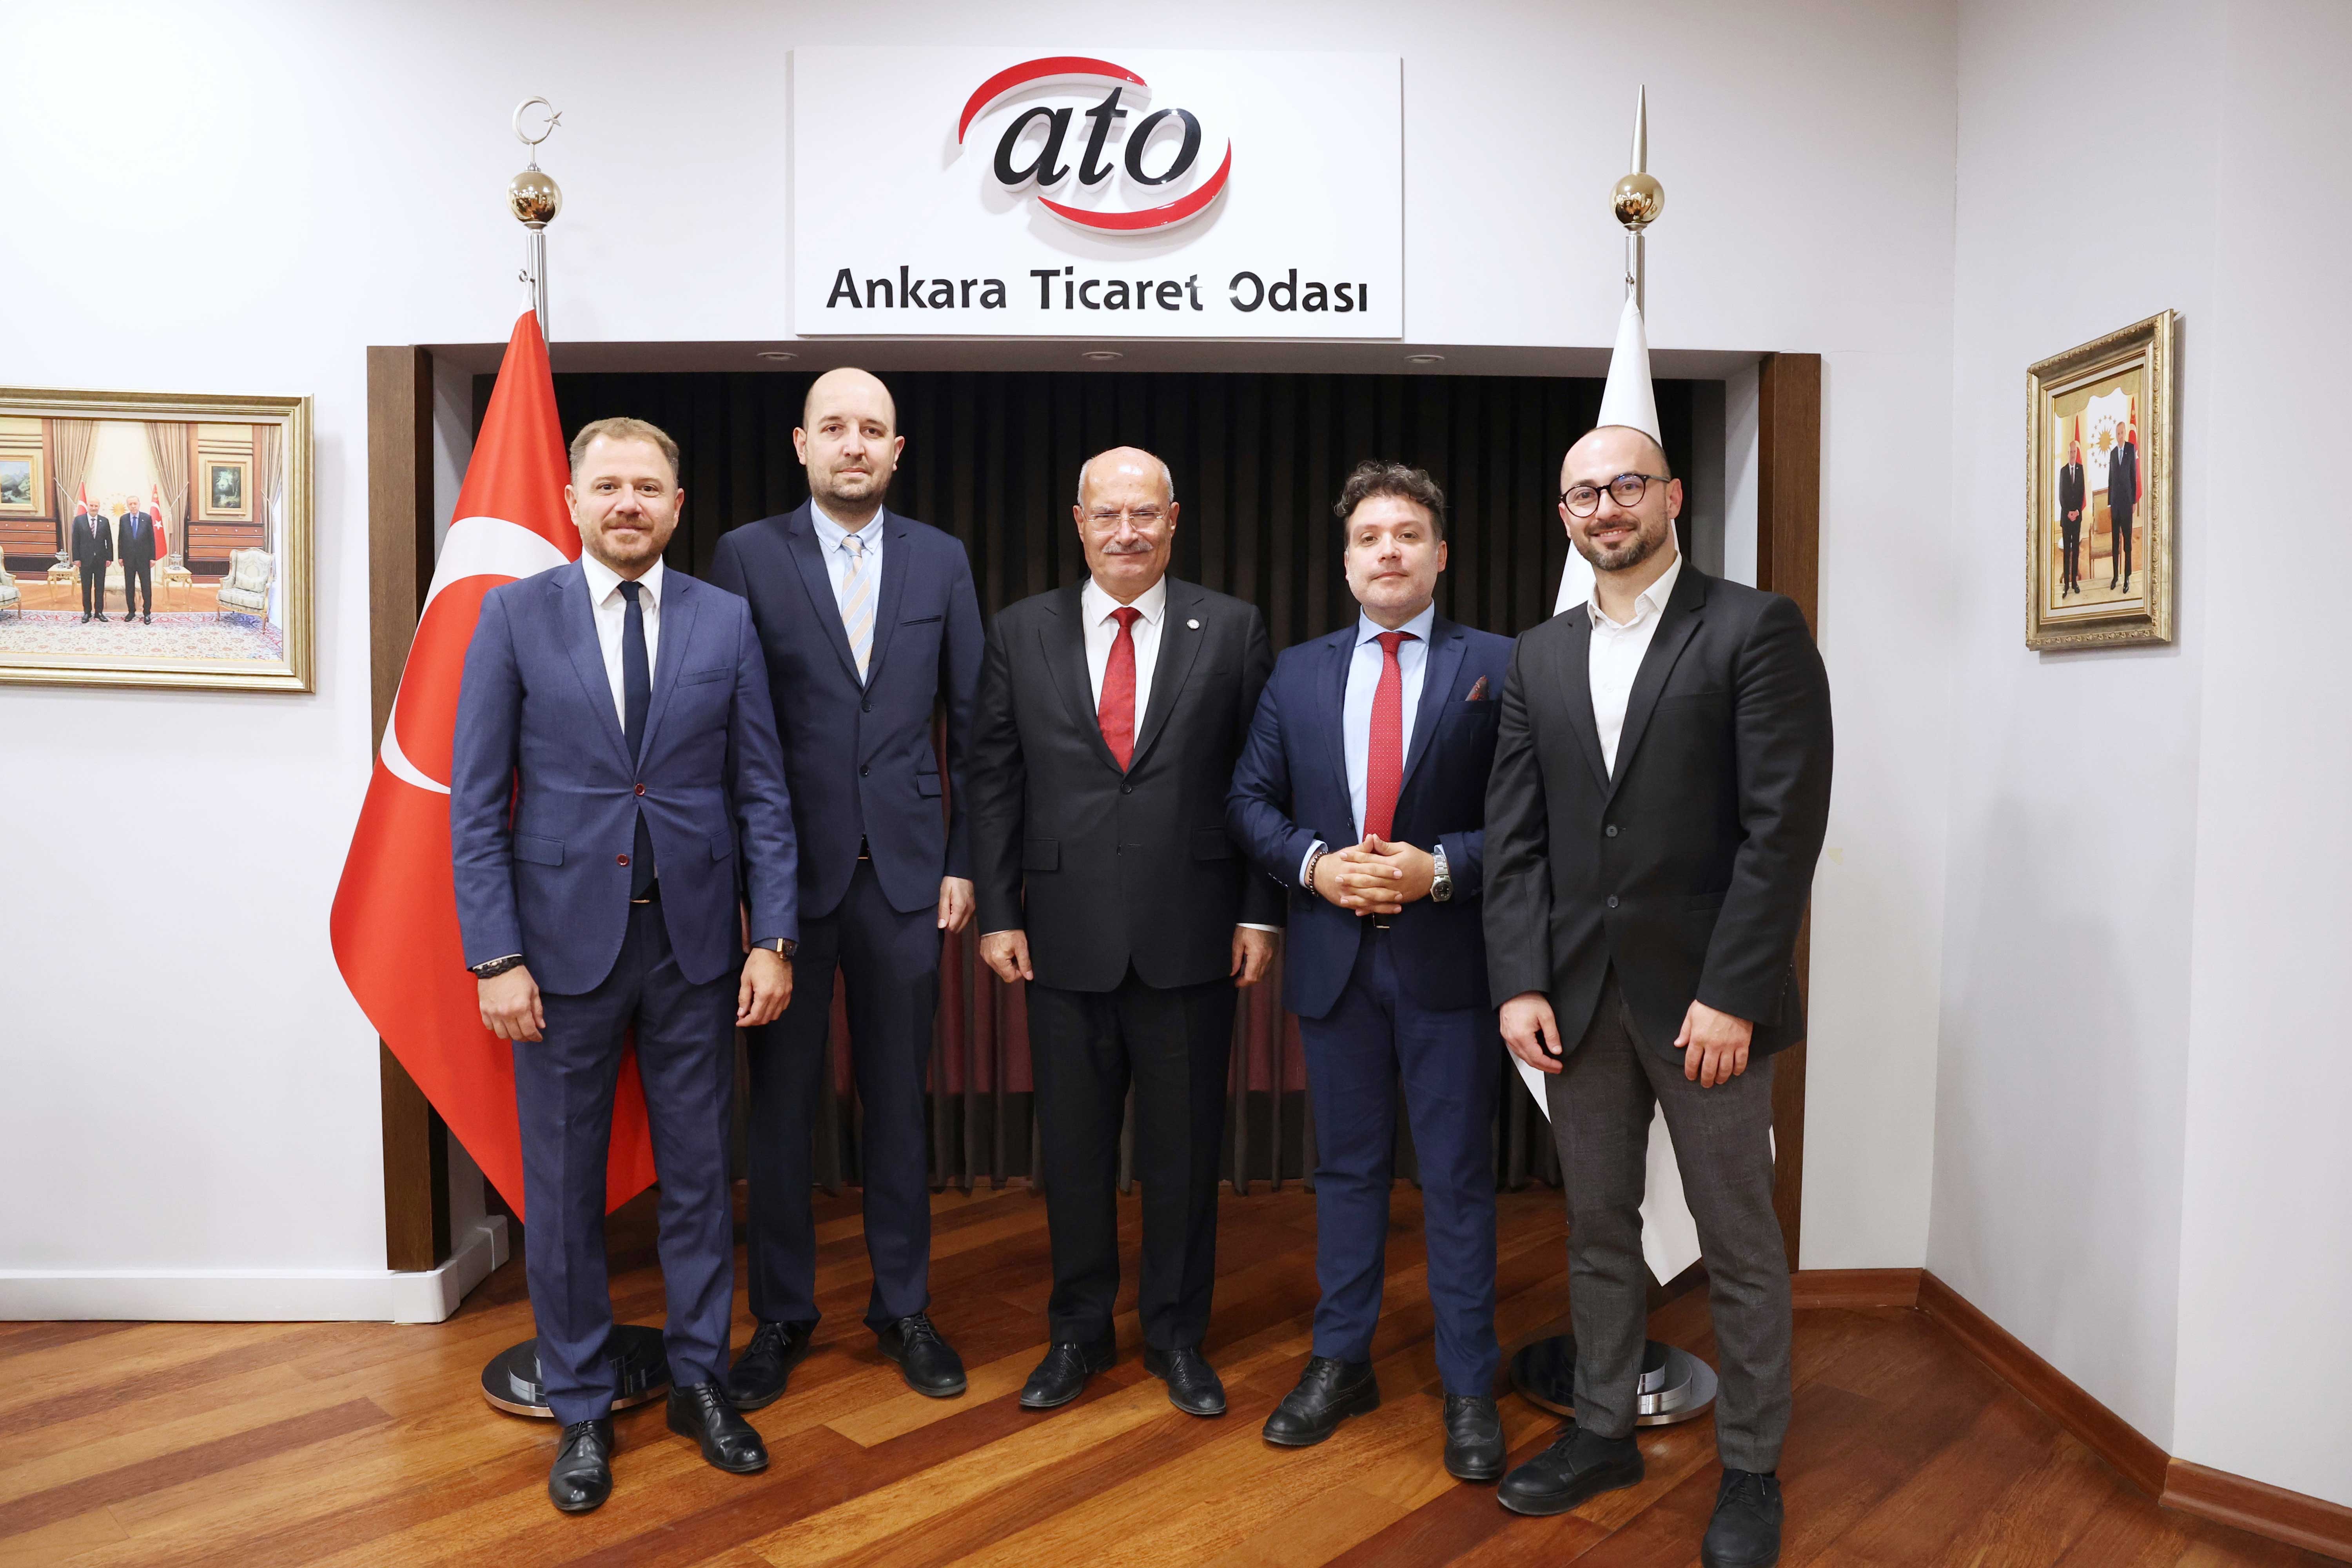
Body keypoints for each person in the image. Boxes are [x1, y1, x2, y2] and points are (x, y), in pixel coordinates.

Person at [1483, 425, 1832, 1568]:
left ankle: (1750, 1467)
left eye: (1625, 483)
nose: (1605, 506)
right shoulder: (1536, 654)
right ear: (1564, 515)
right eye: (1582, 492)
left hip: (1706, 1008)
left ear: (1671, 495)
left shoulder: (1753, 628)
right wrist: (1518, 980)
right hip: (1577, 1000)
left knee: (1739, 1240)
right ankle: (1600, 1430)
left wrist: (1735, 991)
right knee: (1596, 1228)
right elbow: (1514, 839)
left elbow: (1782, 829)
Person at [451, 416, 798, 1516]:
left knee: (700, 1179)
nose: (628, 504)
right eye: (608, 486)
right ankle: (581, 1406)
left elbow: (763, 792)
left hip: (695, 951)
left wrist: (772, 936)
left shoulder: (724, 619)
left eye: (648, 487)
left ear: (677, 506)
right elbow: (475, 804)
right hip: (557, 958)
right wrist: (496, 956)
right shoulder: (514, 616)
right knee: (561, 1191)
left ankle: (700, 1381)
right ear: (573, 501)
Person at [969, 446, 1280, 1417]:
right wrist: (999, 909)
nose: (1126, 532)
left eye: (1144, 514)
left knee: (1184, 1152)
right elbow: (993, 780)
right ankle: (1078, 1331)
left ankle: (1178, 1335)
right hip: (1061, 936)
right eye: (1107, 514)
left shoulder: (1231, 628)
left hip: (1193, 933)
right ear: (1079, 523)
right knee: (1073, 1151)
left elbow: (1260, 778)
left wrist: (1259, 907)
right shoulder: (1019, 630)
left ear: (1173, 520)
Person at [1227, 461, 1514, 1480]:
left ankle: (1469, 1384)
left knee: (1458, 1179)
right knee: (1346, 1173)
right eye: (1369, 537)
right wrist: (1315, 865)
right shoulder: (1297, 672)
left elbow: (1533, 813)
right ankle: (1342, 1361)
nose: (1388, 550)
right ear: (1346, 562)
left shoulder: (1502, 664)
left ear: (1441, 554)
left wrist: (1442, 868)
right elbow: (1248, 800)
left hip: (1453, 964)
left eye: (1407, 534)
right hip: (1335, 964)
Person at [707, 369, 984, 1407]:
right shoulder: (745, 556)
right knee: (781, 1108)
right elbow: (729, 730)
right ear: (802, 444)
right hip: (786, 882)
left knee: (899, 1102)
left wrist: (964, 858)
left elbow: (977, 727)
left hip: (907, 876)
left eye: (873, 429)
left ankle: (903, 1306)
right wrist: (748, 892)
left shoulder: (943, 560)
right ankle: (782, 1313)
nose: (854, 444)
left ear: (897, 451)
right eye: (835, 427)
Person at [2107, 423, 2139, 592]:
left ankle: (2127, 576)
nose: (2120, 436)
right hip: (2116, 505)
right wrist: (2110, 503)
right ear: (2116, 435)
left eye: (2122, 433)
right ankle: (2115, 576)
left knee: (2127, 542)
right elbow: (2111, 480)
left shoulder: (2131, 449)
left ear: (2125, 433)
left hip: (2127, 504)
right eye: (2118, 433)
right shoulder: (2113, 454)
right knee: (2115, 543)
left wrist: (2134, 501)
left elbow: (2134, 477)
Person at [118, 495, 158, 624]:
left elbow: (152, 539)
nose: (133, 506)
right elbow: (121, 539)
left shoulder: (147, 518)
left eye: (135, 504)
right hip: (128, 559)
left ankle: (147, 613)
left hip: (144, 559)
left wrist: (153, 558)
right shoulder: (123, 519)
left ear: (139, 504)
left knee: (146, 586)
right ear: (128, 506)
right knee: (129, 586)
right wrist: (120, 556)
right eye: (131, 504)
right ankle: (131, 612)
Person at [71, 501, 113, 623]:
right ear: (88, 506)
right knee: (86, 587)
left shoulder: (105, 521)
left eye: (96, 506)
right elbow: (75, 541)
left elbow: (109, 541)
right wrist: (76, 558)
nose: (94, 508)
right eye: (92, 506)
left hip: (101, 560)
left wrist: (109, 558)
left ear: (99, 507)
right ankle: (87, 613)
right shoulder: (79, 520)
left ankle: (99, 612)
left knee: (100, 587)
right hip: (85, 560)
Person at [2057, 443, 2086, 598]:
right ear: (2068, 453)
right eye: (2071, 452)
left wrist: (2077, 512)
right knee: (2067, 552)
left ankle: (2075, 582)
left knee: (2075, 550)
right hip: (2066, 518)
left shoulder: (2080, 469)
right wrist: (2069, 512)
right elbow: (2061, 496)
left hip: (2077, 517)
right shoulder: (2063, 472)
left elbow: (2082, 493)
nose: (2073, 454)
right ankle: (2067, 585)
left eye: (2075, 452)